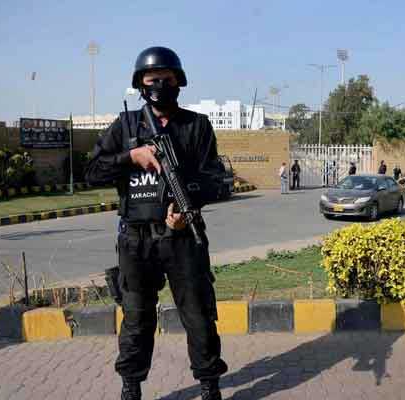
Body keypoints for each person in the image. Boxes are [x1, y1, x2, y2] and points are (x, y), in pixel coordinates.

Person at [85, 46, 227, 400]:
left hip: (182, 238)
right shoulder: (126, 126)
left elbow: (215, 180)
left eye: (168, 79)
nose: (161, 85)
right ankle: (130, 386)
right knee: (136, 318)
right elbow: (93, 171)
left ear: (179, 82)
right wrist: (130, 156)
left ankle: (209, 385)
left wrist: (186, 207)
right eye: (153, 80)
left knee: (198, 314)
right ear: (141, 85)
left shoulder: (196, 126)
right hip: (136, 241)